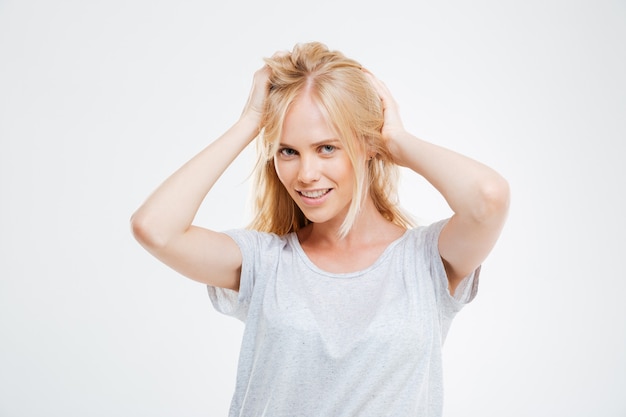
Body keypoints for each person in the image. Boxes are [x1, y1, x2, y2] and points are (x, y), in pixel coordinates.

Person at [131, 42, 510, 417]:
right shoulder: (265, 263)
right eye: (288, 151)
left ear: (366, 145)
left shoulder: (425, 261)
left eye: (327, 148)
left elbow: (488, 198)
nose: (306, 174)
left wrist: (394, 140)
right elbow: (155, 229)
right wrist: (249, 121)